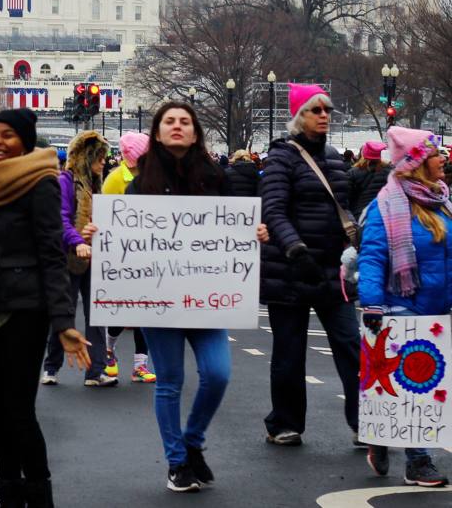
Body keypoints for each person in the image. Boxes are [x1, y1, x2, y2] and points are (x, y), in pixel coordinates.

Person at [128, 101, 269, 493]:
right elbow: (127, 241)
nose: (177, 127)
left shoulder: (216, 177)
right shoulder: (139, 185)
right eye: (169, 121)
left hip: (207, 299)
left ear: (195, 132)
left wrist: (253, 234)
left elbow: (234, 230)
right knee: (170, 382)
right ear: (157, 132)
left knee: (218, 373)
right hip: (159, 300)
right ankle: (177, 462)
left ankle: (193, 441)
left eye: (184, 122)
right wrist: (99, 238)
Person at [0, 109, 88, 507]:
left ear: (25, 141)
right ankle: (9, 491)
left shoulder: (40, 184)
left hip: (25, 310)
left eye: (7, 135)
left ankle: (38, 492)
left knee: (19, 410)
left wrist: (63, 323)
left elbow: (52, 256)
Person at [259, 83, 360, 447]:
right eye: (316, 110)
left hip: (332, 271)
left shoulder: (335, 158)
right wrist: (295, 250)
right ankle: (285, 422)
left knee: (351, 344)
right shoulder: (281, 158)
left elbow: (342, 207)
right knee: (289, 352)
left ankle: (364, 419)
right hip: (289, 269)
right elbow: (273, 209)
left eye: (327, 110)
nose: (324, 116)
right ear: (299, 116)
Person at [358, 126, 452, 487]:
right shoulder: (387, 204)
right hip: (402, 306)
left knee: (426, 385)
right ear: (416, 162)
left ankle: (380, 434)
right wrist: (373, 306)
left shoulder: (442, 199)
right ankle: (418, 462)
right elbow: (373, 256)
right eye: (434, 153)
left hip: (437, 307)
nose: (442, 157)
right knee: (417, 388)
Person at [42, 130, 115, 388]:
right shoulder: (65, 180)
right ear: (86, 158)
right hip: (69, 257)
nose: (104, 162)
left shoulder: (98, 185)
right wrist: (77, 242)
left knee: (97, 315)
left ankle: (96, 371)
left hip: (96, 258)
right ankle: (51, 366)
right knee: (66, 312)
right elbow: (60, 218)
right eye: (99, 157)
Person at [100, 131, 153, 381]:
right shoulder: (114, 180)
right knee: (122, 311)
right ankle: (109, 350)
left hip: (149, 254)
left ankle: (140, 365)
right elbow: (106, 220)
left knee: (147, 311)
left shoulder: (153, 178)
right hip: (123, 256)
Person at [350, 140, 391, 218]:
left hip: (359, 215)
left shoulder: (353, 172)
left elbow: (347, 198)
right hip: (383, 214)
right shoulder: (389, 172)